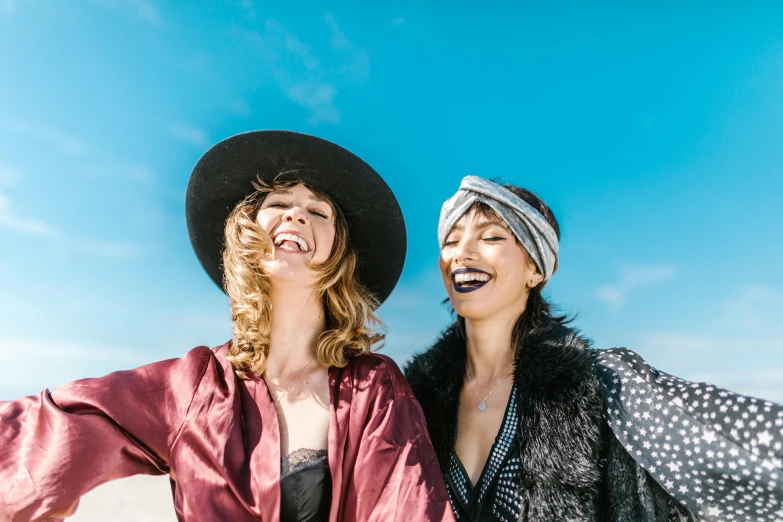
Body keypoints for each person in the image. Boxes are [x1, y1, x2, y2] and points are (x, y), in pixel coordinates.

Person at [0, 131, 455, 522]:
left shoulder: (375, 387)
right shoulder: (192, 388)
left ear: (338, 255)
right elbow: (52, 431)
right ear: (247, 234)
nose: (297, 215)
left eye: (319, 212)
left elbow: (407, 504)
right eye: (279, 203)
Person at [405, 175, 783, 522]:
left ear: (535, 270)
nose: (462, 253)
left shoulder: (604, 381)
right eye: (451, 241)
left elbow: (734, 432)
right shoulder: (409, 397)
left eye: (491, 238)